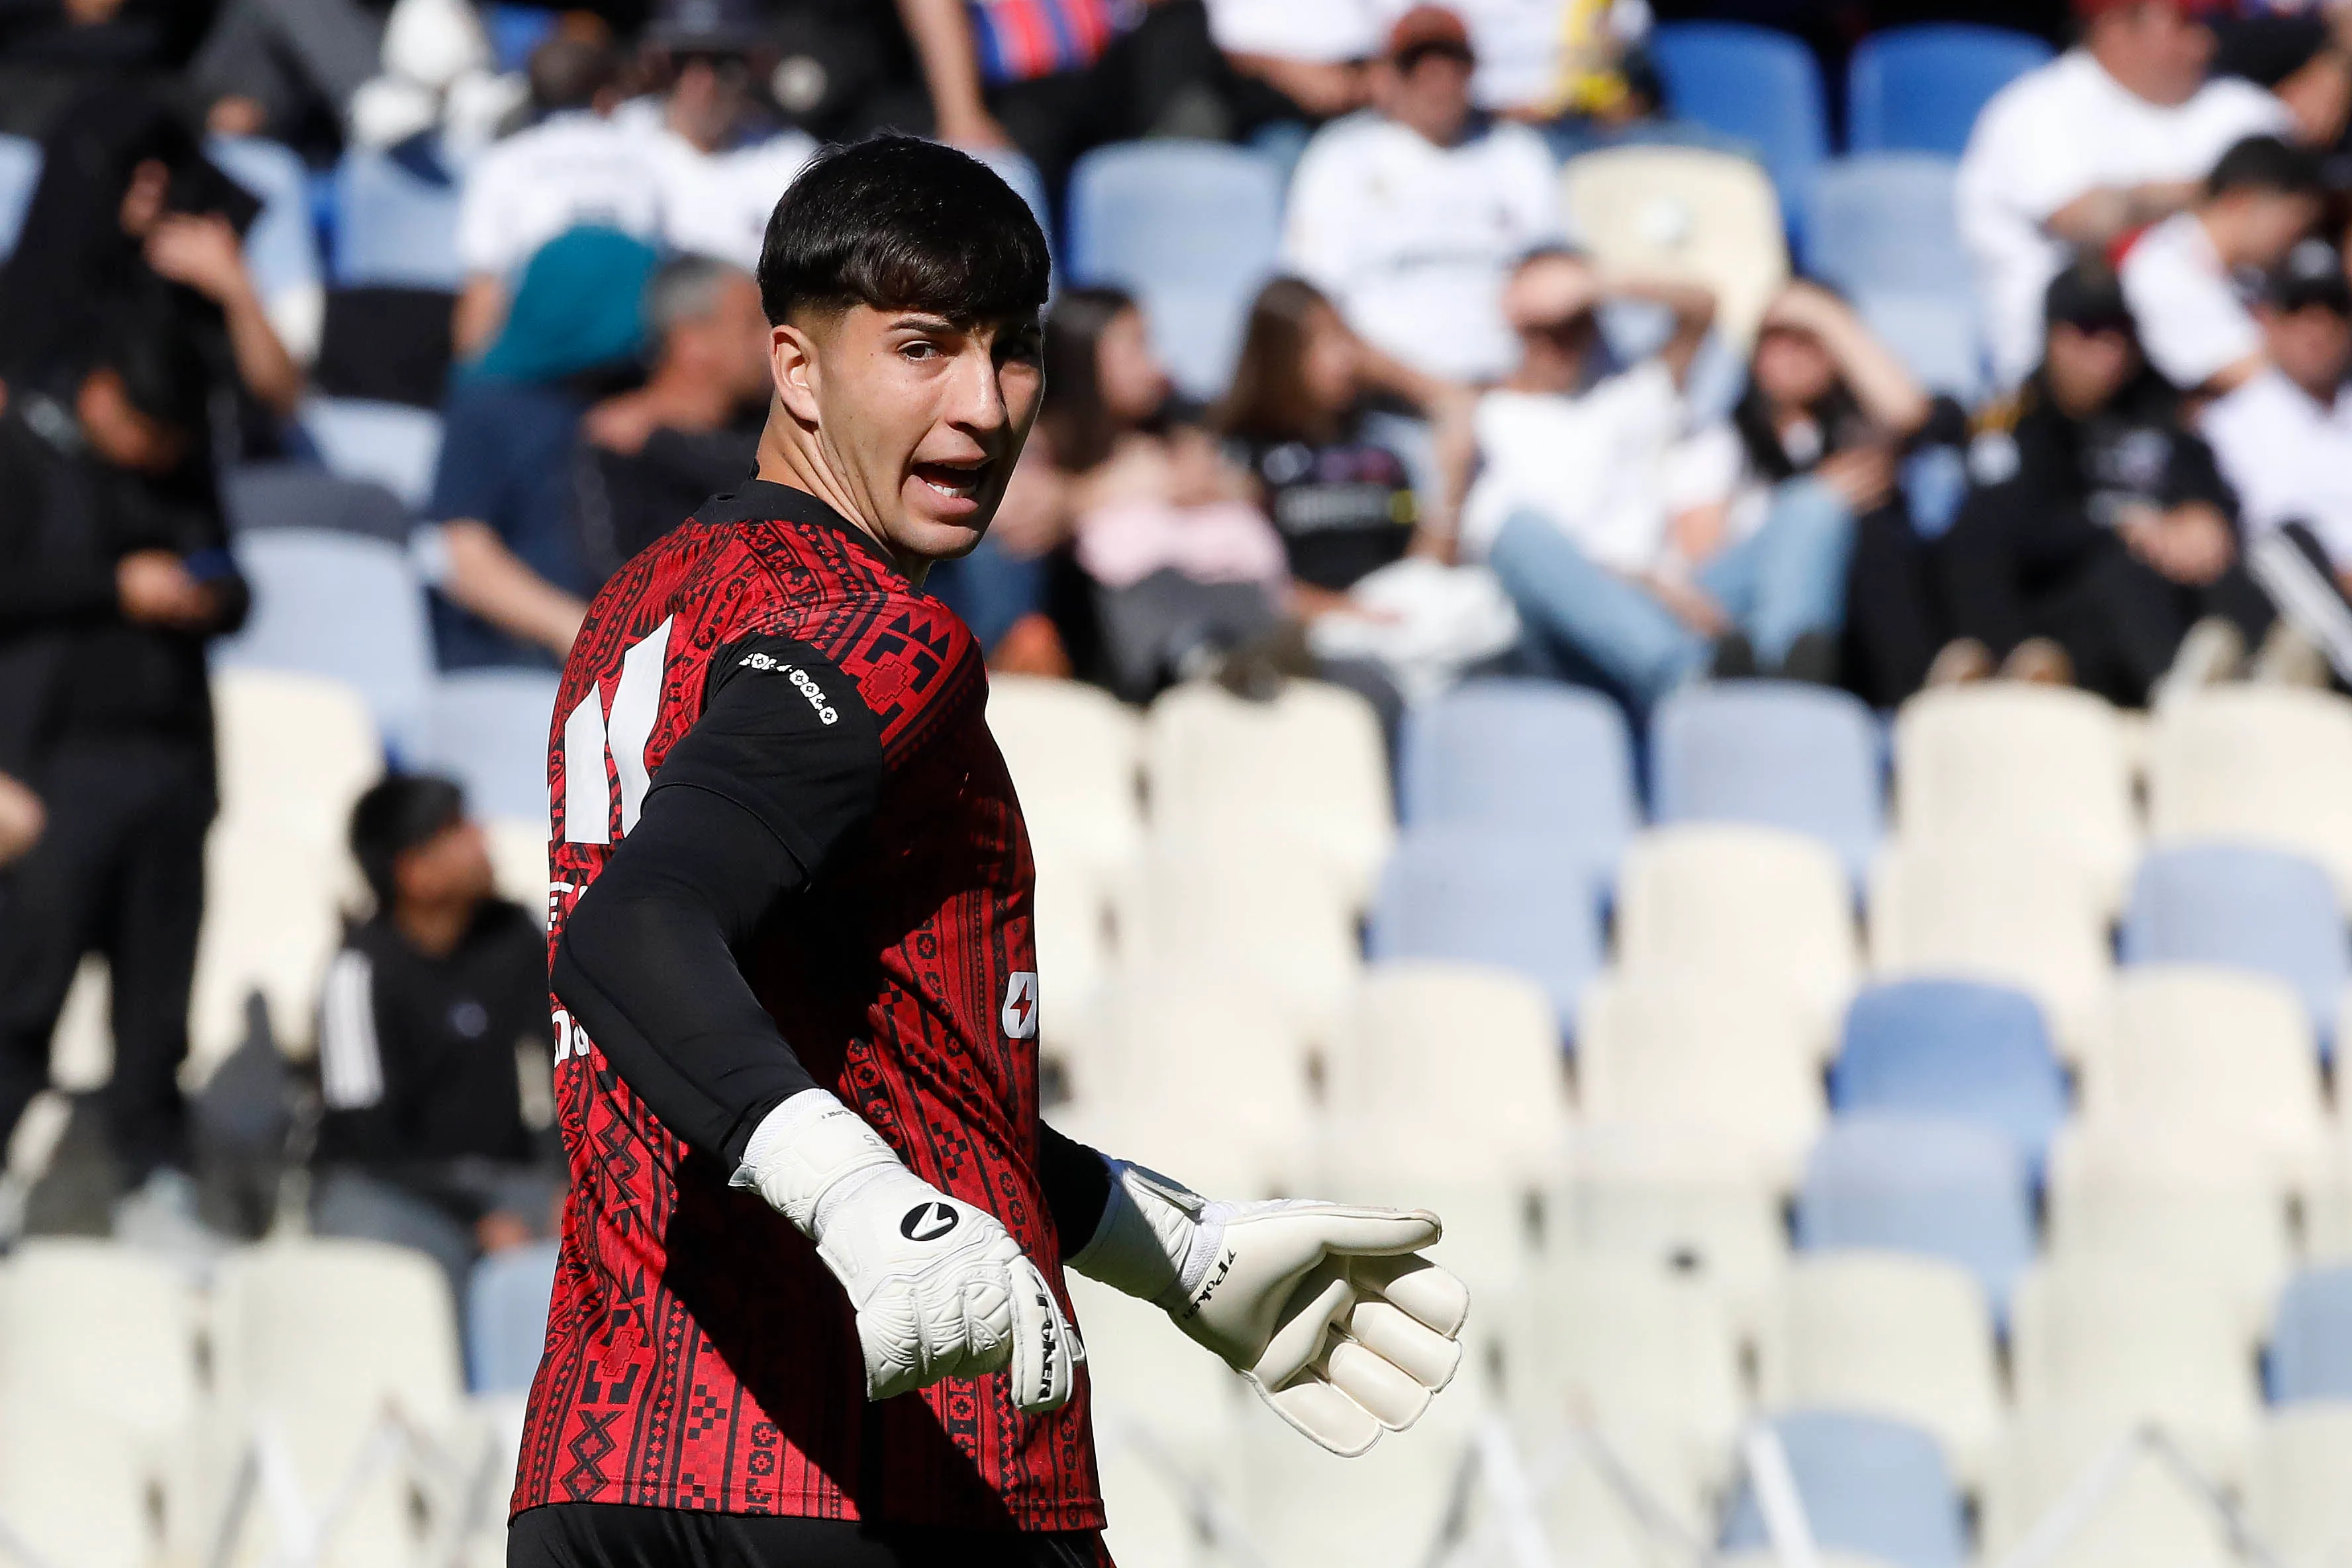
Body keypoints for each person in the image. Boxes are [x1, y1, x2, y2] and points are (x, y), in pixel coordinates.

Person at [510, 136, 1469, 1563]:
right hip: (877, 1468)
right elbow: (634, 936)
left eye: (1013, 353)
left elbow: (853, 1056)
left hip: (606, 1466)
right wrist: (856, 1197)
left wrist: (1170, 1247)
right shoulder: (873, 624)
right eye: (920, 348)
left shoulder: (644, 605)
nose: (982, 405)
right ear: (795, 366)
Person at [0, 317, 252, 1252]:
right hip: (51, 771)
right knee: (23, 993)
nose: (158, 453)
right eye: (147, 431)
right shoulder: (21, 453)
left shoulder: (177, 466)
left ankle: (157, 1189)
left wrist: (202, 593)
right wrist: (115, 585)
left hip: (170, 766)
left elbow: (233, 578)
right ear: (102, 394)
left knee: (157, 1008)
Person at [1461, 250, 1854, 708]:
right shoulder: (1480, 414)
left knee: (1815, 504)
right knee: (1522, 532)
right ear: (1514, 322)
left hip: (1677, 602)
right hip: (1573, 628)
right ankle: (1700, 685)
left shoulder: (1632, 392)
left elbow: (1702, 307)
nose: (1562, 343)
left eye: (1576, 323)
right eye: (1544, 329)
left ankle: (1789, 684)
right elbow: (1519, 558)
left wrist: (1595, 284)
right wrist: (1652, 587)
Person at [1934, 260, 2272, 703]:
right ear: (2054, 338)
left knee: (2249, 557)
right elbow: (2004, 535)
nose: (2109, 355)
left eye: (2120, 336)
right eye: (2089, 335)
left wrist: (2204, 515)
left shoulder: (2160, 410)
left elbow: (2210, 488)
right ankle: (2180, 696)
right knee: (2120, 573)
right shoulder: (2018, 423)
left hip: (2178, 592)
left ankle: (2269, 677)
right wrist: (2120, 527)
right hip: (2066, 614)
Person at [1958, 0, 2298, 389]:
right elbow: (2082, 218)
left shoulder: (2245, 108)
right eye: (2184, 24)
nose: (2206, 41)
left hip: (2239, 363)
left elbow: (2302, 203)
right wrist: (2220, 191)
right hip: (2073, 377)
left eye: (2207, 23)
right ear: (2115, 27)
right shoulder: (2036, 108)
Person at [313, 774, 560, 1303]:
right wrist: (478, 1220)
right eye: (455, 830)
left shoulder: (514, 938)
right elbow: (367, 1140)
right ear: (414, 872)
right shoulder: (359, 970)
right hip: (393, 1191)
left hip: (509, 1180)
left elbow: (568, 1073)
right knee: (418, 1260)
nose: (480, 838)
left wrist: (566, 1184)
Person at [1674, 281, 1968, 707]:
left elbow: (1910, 412)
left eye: (1809, 340)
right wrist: (1815, 501)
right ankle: (1790, 675)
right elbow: (1703, 581)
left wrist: (1825, 314)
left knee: (1875, 533)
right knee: (1819, 508)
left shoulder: (1856, 431)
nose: (1790, 355)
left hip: (1843, 630)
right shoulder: (1720, 441)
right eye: (1775, 340)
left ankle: (1912, 704)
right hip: (1738, 619)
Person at [1281, 5, 1567, 387]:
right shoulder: (1341, 156)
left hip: (1511, 393)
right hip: (1380, 397)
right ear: (1387, 77)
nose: (1437, 82)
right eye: (1417, 68)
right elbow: (1310, 304)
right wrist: (1433, 395)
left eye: (1452, 67)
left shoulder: (1518, 154)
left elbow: (1562, 284)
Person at [419, 224, 660, 672]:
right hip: (513, 663)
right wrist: (580, 632)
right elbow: (466, 558)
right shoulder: (486, 406)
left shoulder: (640, 398)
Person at [450, 32, 663, 357]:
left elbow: (484, 288)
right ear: (606, 97)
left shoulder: (504, 163)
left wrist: (478, 384)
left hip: (537, 360)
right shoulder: (650, 158)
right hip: (630, 359)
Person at [2200, 236, 2352, 677]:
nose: (2318, 330)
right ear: (2268, 322)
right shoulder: (2230, 422)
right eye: (2299, 311)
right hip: (2287, 592)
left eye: (2334, 312)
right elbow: (2266, 533)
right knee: (2282, 543)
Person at [574, 253, 773, 581]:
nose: (770, 342)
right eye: (752, 325)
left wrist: (661, 442)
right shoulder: (611, 447)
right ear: (691, 342)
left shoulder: (767, 426)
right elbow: (617, 579)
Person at [2118, 132, 2326, 394]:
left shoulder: (2257, 274)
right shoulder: (2161, 271)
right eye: (2292, 230)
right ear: (2240, 201)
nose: (2297, 244)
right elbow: (2241, 377)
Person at [624, 0, 818, 271]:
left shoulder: (794, 163)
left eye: (725, 63)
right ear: (655, 63)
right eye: (681, 61)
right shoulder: (615, 143)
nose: (703, 82)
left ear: (757, 65)